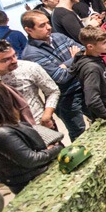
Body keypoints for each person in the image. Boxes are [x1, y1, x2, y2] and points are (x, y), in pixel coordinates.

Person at [0, 82, 61, 194]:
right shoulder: (0, 133)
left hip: (28, 181)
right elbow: (31, 159)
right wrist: (55, 149)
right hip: (35, 183)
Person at [21, 10, 87, 141]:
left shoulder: (58, 37)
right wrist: (74, 58)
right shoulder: (31, 54)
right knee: (79, 132)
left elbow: (85, 51)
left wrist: (66, 64)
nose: (49, 27)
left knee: (99, 119)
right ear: (29, 30)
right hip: (66, 97)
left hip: (84, 86)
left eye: (48, 23)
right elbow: (60, 77)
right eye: (42, 25)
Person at [0, 39, 60, 129]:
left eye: (14, 55)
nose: (14, 60)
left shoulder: (30, 67)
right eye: (6, 59)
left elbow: (53, 91)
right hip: (10, 130)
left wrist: (47, 115)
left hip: (39, 123)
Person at [72, 27, 106, 122]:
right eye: (104, 43)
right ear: (90, 47)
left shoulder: (96, 57)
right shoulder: (91, 69)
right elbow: (92, 101)